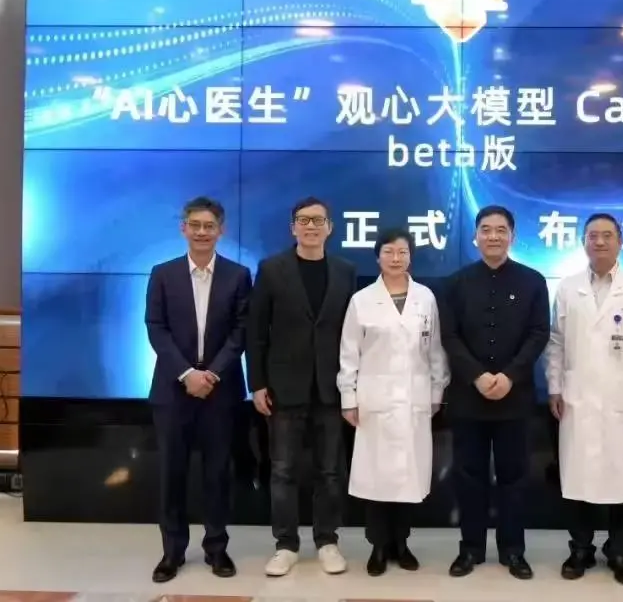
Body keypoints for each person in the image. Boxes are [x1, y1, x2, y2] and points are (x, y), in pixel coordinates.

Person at [546, 213, 623, 586]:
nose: (599, 241)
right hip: (577, 398)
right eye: (592, 235)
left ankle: (619, 551)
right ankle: (580, 548)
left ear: (620, 241)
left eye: (607, 235)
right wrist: (554, 386)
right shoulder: (568, 287)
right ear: (583, 242)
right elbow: (556, 342)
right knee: (578, 478)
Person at [247, 196, 359, 577]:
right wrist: (257, 383)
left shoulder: (345, 271)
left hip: (331, 387)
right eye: (303, 220)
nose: (311, 226)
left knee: (330, 471)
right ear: (293, 227)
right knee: (283, 471)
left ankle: (327, 541)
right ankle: (286, 545)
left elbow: (353, 333)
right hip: (283, 387)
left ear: (330, 228)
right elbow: (256, 331)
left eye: (318, 220)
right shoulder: (271, 269)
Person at [437, 205, 550, 580]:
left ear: (512, 237)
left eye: (501, 230)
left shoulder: (533, 281)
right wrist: (477, 376)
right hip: (468, 397)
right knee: (468, 476)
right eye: (486, 229)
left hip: (514, 397)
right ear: (475, 236)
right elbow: (449, 336)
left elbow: (538, 334)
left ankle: (513, 551)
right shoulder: (455, 283)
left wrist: (510, 375)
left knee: (514, 477)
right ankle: (470, 549)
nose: (493, 236)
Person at [144, 197, 252, 583]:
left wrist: (212, 374)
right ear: (183, 229)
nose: (202, 232)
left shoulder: (238, 275)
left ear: (221, 230)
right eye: (195, 225)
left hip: (221, 392)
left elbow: (241, 331)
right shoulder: (162, 274)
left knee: (217, 473)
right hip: (172, 391)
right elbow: (156, 328)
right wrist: (187, 373)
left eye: (209, 226)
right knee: (171, 473)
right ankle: (171, 552)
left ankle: (216, 549)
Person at [337, 228, 450, 576]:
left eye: (402, 252)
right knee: (376, 479)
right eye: (388, 252)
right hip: (374, 402)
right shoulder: (362, 300)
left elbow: (435, 351)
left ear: (411, 256)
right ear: (377, 257)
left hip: (415, 400)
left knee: (407, 478)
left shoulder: (425, 298)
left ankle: (402, 543)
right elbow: (349, 354)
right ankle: (378, 546)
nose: (396, 258)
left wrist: (436, 392)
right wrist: (348, 397)